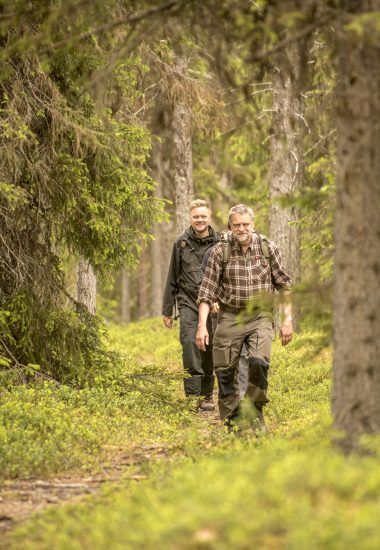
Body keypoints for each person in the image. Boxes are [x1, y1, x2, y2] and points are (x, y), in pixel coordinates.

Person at [196, 204, 293, 431]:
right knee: (225, 372)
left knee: (259, 362)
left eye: (245, 224)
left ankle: (255, 413)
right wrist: (202, 326)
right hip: (229, 316)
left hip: (260, 316)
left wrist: (287, 320)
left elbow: (285, 286)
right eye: (236, 225)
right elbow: (206, 293)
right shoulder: (220, 252)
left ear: (253, 224)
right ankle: (232, 421)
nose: (241, 229)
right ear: (230, 226)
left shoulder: (268, 248)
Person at [162, 199, 219, 411]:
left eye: (203, 216)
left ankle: (206, 396)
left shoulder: (220, 242)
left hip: (213, 305)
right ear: (190, 218)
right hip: (188, 303)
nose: (200, 220)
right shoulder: (181, 243)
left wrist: (219, 300)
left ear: (209, 216)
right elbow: (172, 277)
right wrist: (167, 310)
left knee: (209, 348)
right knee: (190, 345)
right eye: (196, 216)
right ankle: (192, 397)